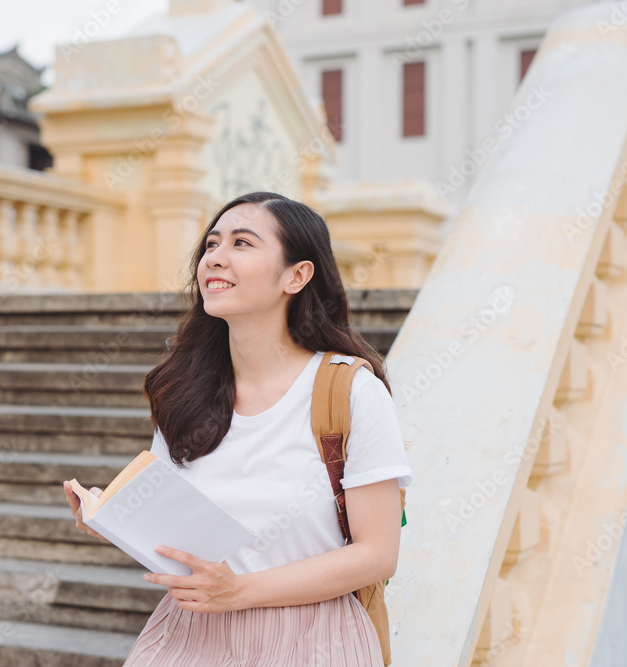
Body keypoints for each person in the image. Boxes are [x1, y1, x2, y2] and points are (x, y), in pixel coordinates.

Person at [63, 191, 412, 666]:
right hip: (190, 638)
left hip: (312, 640)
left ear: (297, 275)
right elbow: (181, 537)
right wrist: (115, 520)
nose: (216, 259)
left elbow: (377, 555)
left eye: (242, 244)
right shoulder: (184, 391)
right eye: (211, 244)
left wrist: (241, 591)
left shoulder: (347, 389)